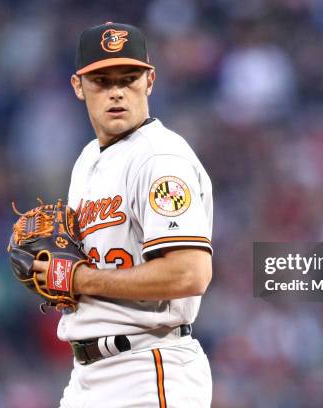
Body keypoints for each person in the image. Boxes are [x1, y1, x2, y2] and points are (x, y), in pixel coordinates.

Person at [32, 22, 213, 407]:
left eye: (128, 78)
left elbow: (190, 272)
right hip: (87, 375)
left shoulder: (160, 158)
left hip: (149, 368)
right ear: (78, 86)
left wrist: (82, 279)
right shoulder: (86, 161)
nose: (116, 91)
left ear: (150, 80)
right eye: (101, 80)